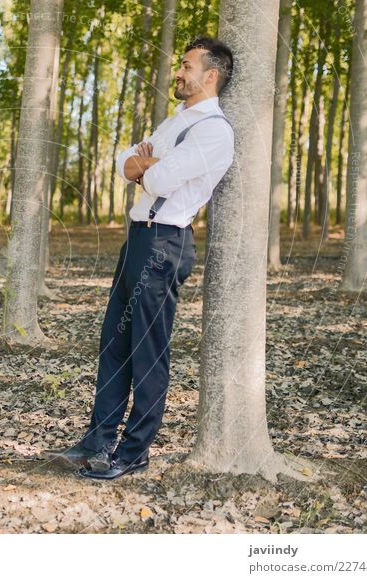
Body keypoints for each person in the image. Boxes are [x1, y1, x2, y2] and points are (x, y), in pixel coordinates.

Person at [42, 36, 235, 480]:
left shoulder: (213, 130)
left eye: (187, 65)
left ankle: (134, 452)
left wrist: (148, 166)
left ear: (210, 75)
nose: (179, 71)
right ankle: (98, 438)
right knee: (115, 343)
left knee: (148, 350)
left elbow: (161, 176)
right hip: (138, 239)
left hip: (165, 243)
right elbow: (123, 160)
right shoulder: (176, 121)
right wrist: (142, 165)